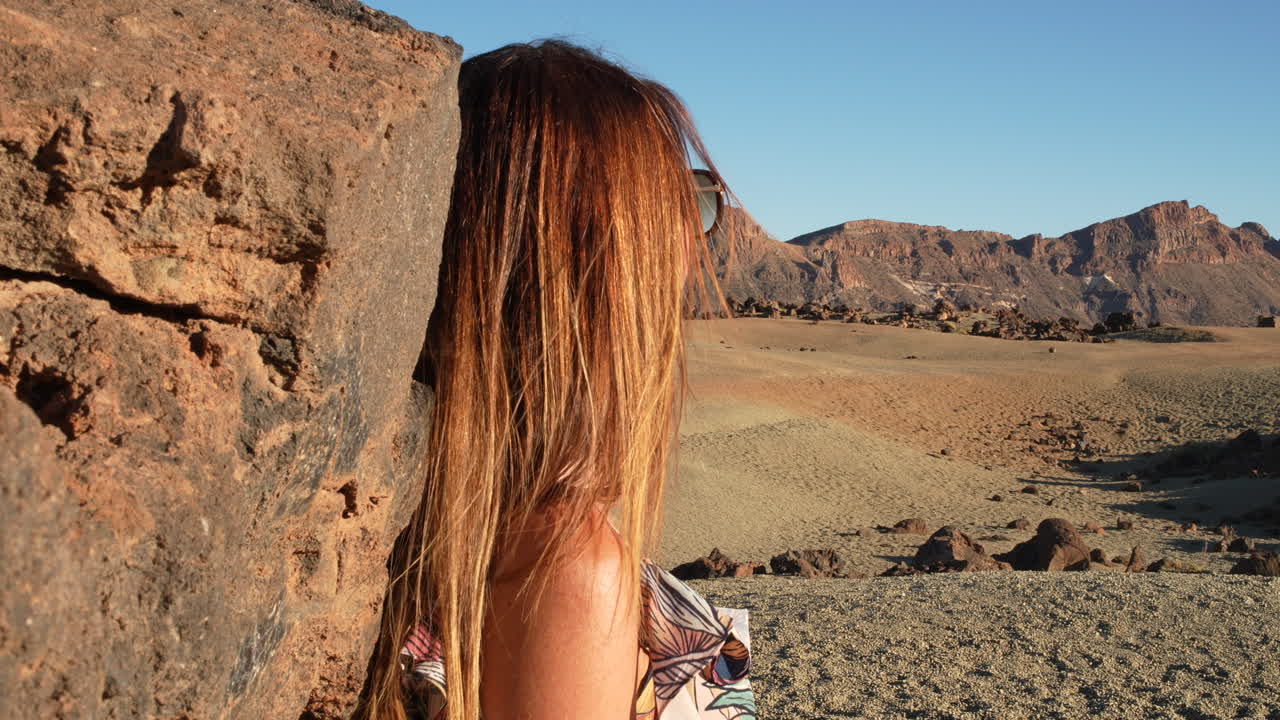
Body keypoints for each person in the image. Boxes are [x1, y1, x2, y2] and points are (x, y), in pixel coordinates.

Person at [355, 40, 754, 720]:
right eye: (674, 197)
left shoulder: (438, 509)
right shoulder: (563, 569)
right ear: (590, 253)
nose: (695, 234)